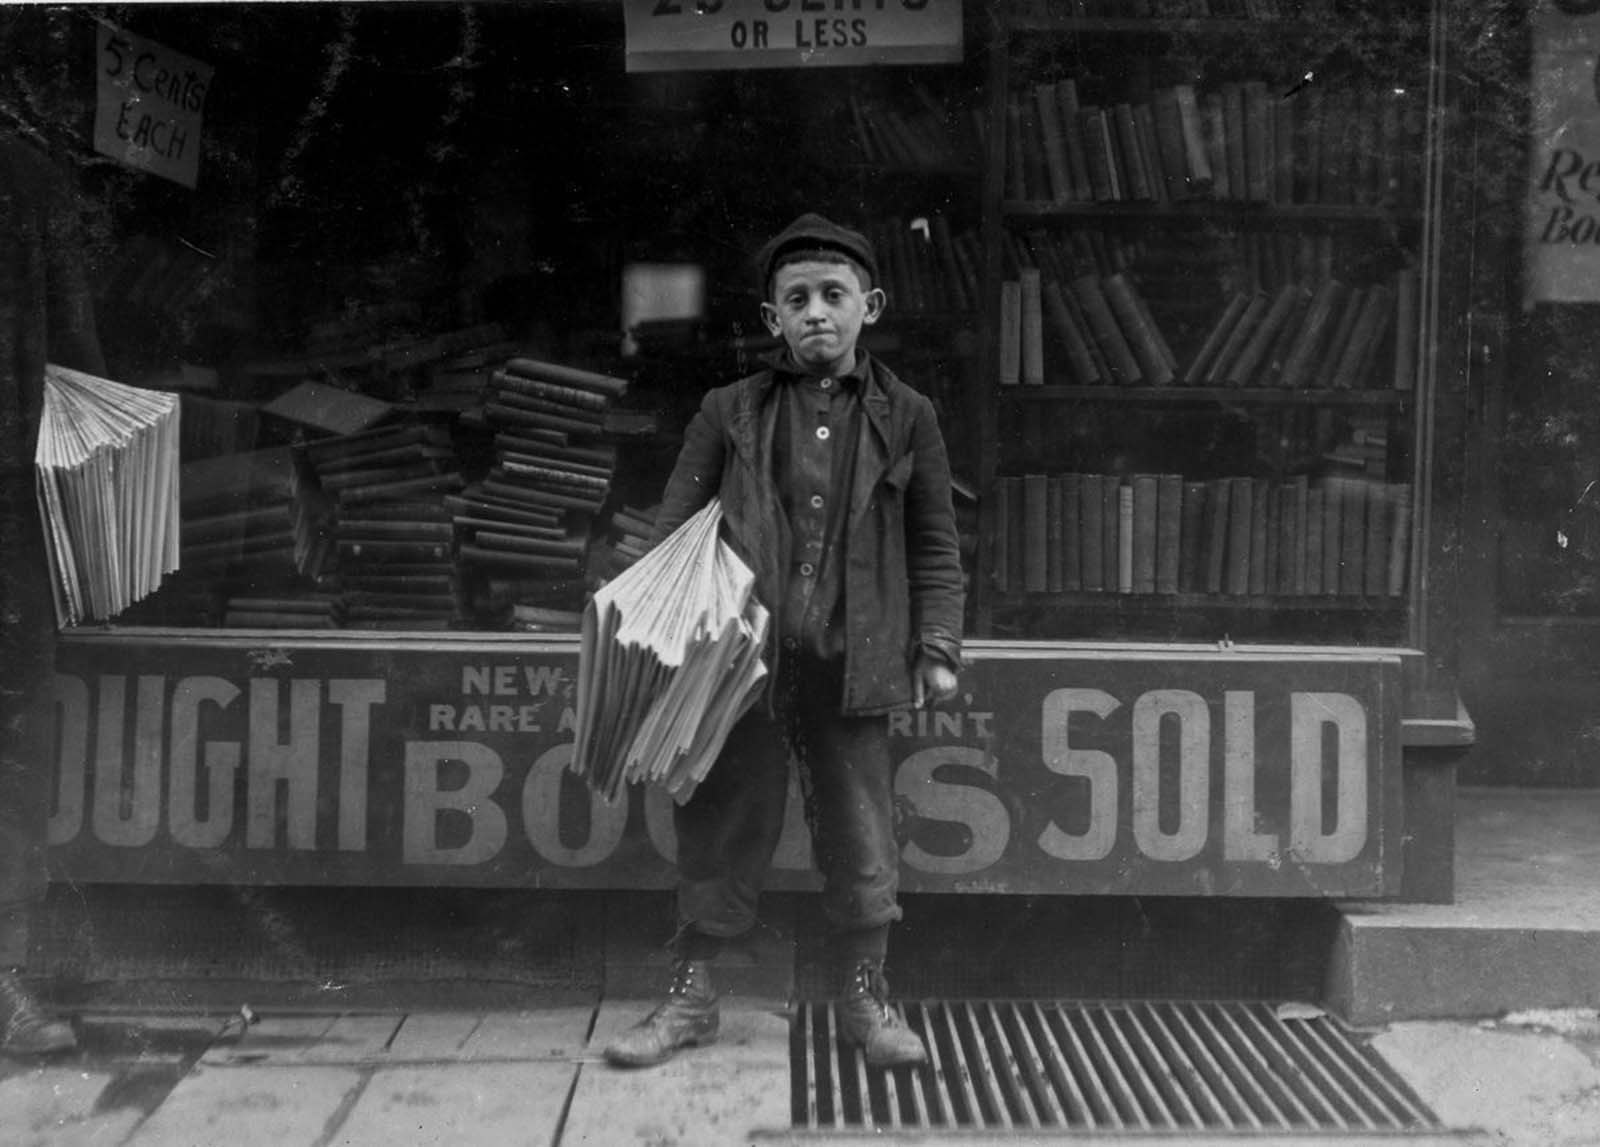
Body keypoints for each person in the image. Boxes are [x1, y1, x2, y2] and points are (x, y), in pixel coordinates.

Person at [604, 213, 964, 1070]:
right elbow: (671, 531)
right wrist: (660, 636)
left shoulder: (908, 416)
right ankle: (692, 999)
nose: (816, 314)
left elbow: (937, 545)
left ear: (867, 307)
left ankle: (865, 1004)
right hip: (742, 666)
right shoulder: (728, 411)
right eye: (795, 299)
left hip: (855, 662)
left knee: (861, 827)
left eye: (834, 296)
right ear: (771, 319)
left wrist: (939, 645)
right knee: (720, 823)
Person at [1, 132, 105, 1056]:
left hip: (8, 511)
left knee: (12, 745)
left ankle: (6, 981)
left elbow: (78, 366)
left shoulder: (25, 176)